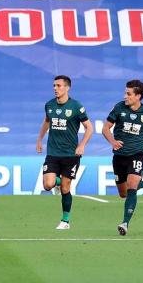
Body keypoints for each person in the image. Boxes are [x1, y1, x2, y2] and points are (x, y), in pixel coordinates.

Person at [102, 79, 143, 236]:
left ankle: (125, 223)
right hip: (119, 156)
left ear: (138, 96)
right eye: (125, 93)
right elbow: (105, 128)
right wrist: (113, 141)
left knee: (131, 188)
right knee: (123, 193)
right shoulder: (119, 108)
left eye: (128, 94)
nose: (125, 96)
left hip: (137, 154)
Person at [36, 75, 93, 230]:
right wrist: (39, 139)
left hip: (71, 154)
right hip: (53, 153)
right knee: (48, 185)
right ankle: (58, 181)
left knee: (66, 189)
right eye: (54, 85)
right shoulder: (49, 105)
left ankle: (65, 221)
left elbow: (90, 127)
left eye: (59, 85)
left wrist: (82, 145)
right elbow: (46, 121)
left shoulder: (76, 106)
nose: (55, 88)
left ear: (67, 88)